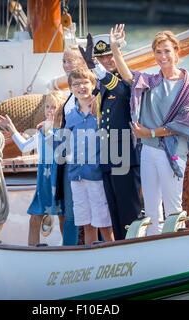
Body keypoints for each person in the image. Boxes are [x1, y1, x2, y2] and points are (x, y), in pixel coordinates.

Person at [109, 24, 189, 235]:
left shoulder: (188, 82)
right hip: (149, 150)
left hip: (173, 152)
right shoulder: (152, 81)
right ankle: (155, 249)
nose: (162, 56)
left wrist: (149, 133)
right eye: (158, 52)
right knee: (150, 208)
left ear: (177, 52)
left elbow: (183, 123)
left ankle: (176, 247)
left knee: (173, 208)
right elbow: (128, 77)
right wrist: (115, 49)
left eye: (167, 51)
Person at [78, 33, 141, 240]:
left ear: (118, 54)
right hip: (108, 156)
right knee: (114, 210)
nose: (106, 61)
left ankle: (134, 249)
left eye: (109, 56)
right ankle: (121, 250)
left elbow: (121, 91)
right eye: (101, 58)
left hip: (124, 156)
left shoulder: (126, 79)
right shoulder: (103, 85)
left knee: (128, 212)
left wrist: (93, 65)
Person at [0, 91, 67, 246]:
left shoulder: (66, 129)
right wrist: (11, 128)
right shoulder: (42, 130)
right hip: (44, 179)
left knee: (63, 217)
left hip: (59, 177)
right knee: (35, 217)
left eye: (54, 107)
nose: (49, 110)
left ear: (61, 109)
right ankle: (33, 250)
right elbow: (24, 146)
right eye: (47, 106)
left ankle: (68, 248)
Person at [64, 68, 114, 245]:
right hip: (76, 175)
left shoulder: (100, 113)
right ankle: (90, 255)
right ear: (71, 89)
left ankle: (113, 250)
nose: (81, 87)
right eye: (76, 84)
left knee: (103, 221)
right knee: (85, 222)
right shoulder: (70, 116)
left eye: (85, 82)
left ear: (93, 85)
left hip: (95, 174)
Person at [55, 45, 88, 245]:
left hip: (87, 160)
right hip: (69, 159)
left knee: (93, 210)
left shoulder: (87, 91)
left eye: (71, 60)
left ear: (83, 62)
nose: (67, 65)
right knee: (70, 212)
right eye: (64, 61)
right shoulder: (70, 94)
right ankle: (69, 250)